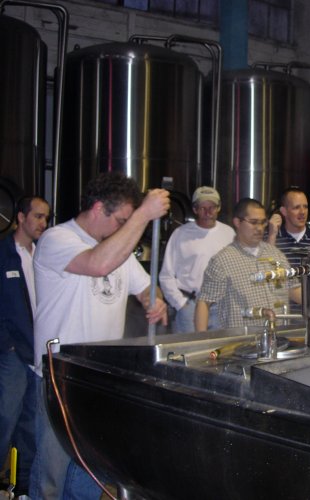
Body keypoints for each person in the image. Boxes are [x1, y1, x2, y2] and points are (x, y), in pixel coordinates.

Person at [30, 172, 169, 500]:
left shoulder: (115, 247)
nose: (125, 227)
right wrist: (143, 215)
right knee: (52, 468)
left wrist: (155, 298)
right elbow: (98, 264)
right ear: (97, 209)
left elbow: (144, 285)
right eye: (121, 219)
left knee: (91, 469)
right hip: (59, 375)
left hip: (98, 377)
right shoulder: (57, 239)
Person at [0, 196, 49, 495]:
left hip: (38, 354)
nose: (43, 223)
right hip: (13, 354)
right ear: (20, 217)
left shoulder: (43, 255)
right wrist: (7, 345)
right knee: (5, 418)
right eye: (38, 217)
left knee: (31, 425)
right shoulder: (4, 254)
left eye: (46, 218)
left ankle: (22, 486)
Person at [195, 198, 302, 330]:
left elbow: (293, 289)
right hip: (242, 343)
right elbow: (204, 302)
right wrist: (204, 341)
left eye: (263, 223)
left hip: (278, 337)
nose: (259, 228)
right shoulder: (223, 260)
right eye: (253, 222)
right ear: (237, 222)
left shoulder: (276, 255)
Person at [160, 186, 235, 332]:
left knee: (219, 352)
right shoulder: (180, 234)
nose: (208, 212)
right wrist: (181, 304)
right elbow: (166, 275)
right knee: (189, 353)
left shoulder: (229, 233)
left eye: (212, 207)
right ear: (194, 209)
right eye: (202, 207)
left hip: (221, 307)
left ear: (218, 208)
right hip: (191, 306)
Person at [266, 188, 310, 313]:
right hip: (281, 315)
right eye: (296, 208)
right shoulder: (272, 237)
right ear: (283, 211)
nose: (302, 212)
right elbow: (264, 268)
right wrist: (272, 234)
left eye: (305, 207)